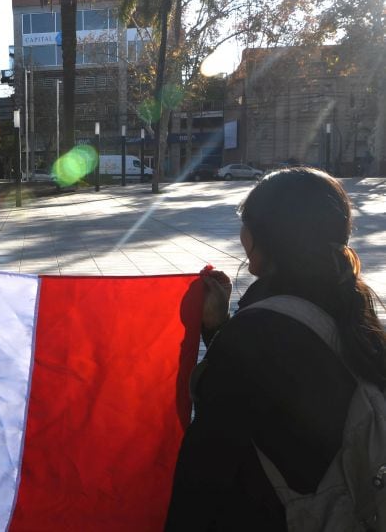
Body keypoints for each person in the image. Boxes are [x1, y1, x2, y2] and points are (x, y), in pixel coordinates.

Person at [165, 167, 386, 530]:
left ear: (261, 237)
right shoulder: (352, 309)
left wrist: (226, 336)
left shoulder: (255, 338)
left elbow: (201, 479)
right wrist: (220, 328)